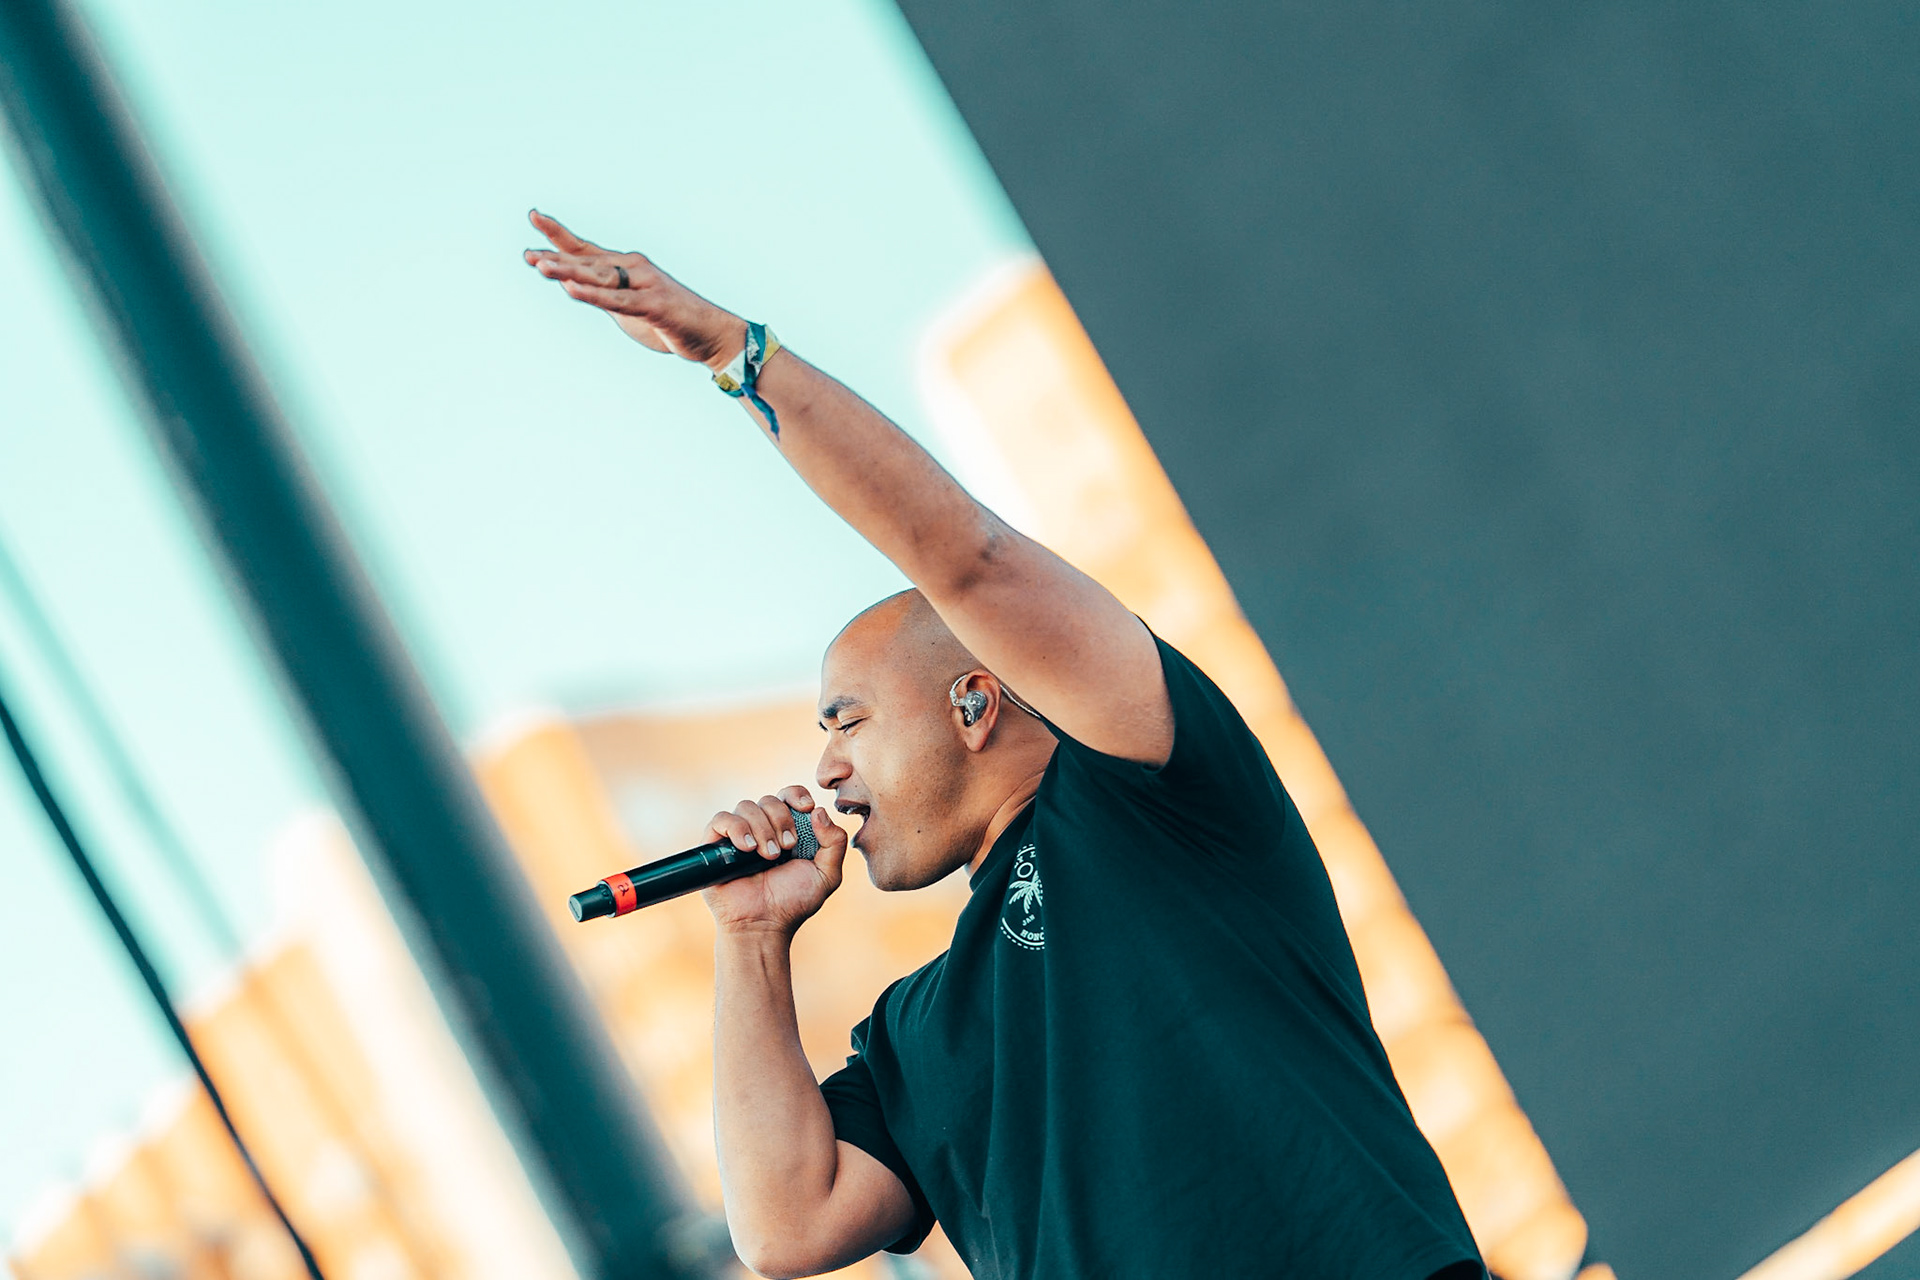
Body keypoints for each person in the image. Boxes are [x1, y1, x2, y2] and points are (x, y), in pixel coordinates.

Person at [525, 211, 1486, 1280]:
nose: (827, 770)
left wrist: (734, 354)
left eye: (848, 720)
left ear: (975, 705)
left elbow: (967, 558)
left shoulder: (1144, 794)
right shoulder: (914, 1029)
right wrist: (750, 937)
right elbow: (786, 1227)